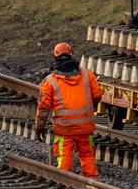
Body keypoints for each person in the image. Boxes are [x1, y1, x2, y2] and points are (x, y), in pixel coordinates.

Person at [35, 43, 103, 178]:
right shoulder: (87, 75)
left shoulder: (50, 81)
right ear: (71, 55)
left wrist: (39, 127)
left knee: (64, 160)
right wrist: (91, 106)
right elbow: (97, 95)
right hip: (85, 128)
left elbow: (43, 107)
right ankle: (92, 184)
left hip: (64, 130)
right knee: (88, 156)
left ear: (55, 57)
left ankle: (65, 184)